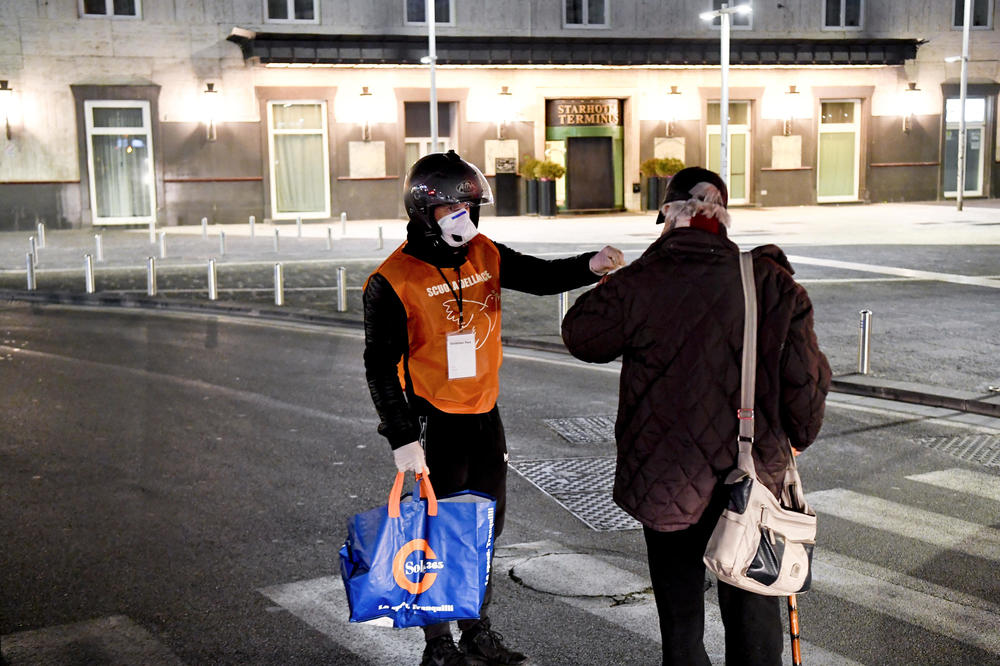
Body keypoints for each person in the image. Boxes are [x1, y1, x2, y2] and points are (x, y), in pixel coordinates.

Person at [363, 150, 625, 666]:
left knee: (484, 528)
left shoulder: (483, 252)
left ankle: (476, 630)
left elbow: (538, 275)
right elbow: (379, 366)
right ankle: (438, 645)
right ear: (424, 211)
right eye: (455, 208)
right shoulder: (392, 280)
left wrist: (589, 267)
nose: (467, 218)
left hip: (485, 415)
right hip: (431, 421)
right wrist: (402, 439)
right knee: (436, 532)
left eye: (472, 207)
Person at [561, 167, 830, 666]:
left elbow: (580, 335)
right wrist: (799, 436)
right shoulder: (769, 281)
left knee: (681, 617)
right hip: (753, 475)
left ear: (668, 214)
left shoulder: (644, 279)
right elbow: (807, 381)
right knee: (753, 606)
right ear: (723, 217)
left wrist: (618, 274)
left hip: (666, 475)